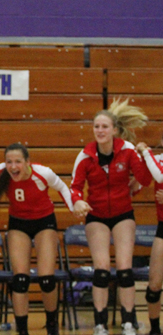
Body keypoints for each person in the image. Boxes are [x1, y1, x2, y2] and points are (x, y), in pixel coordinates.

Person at [71, 98, 151, 335]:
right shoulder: (85, 155)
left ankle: (128, 322)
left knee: (125, 268)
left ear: (114, 130)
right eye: (96, 126)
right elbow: (75, 186)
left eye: (105, 127)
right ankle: (100, 323)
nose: (100, 131)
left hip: (123, 213)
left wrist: (142, 160)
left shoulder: (127, 151)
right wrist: (77, 200)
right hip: (96, 215)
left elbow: (146, 180)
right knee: (102, 268)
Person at [0, 143, 73, 335]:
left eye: (18, 162)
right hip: (18, 223)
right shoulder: (1, 172)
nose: (13, 166)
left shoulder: (43, 173)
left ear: (27, 162)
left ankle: (52, 326)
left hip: (44, 222)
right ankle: (22, 330)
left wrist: (75, 206)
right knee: (20, 279)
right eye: (9, 162)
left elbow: (63, 188)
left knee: (47, 279)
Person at [137, 136, 163, 335]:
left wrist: (146, 152)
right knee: (154, 283)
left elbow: (160, 177)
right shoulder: (158, 160)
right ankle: (155, 330)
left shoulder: (155, 160)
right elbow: (145, 180)